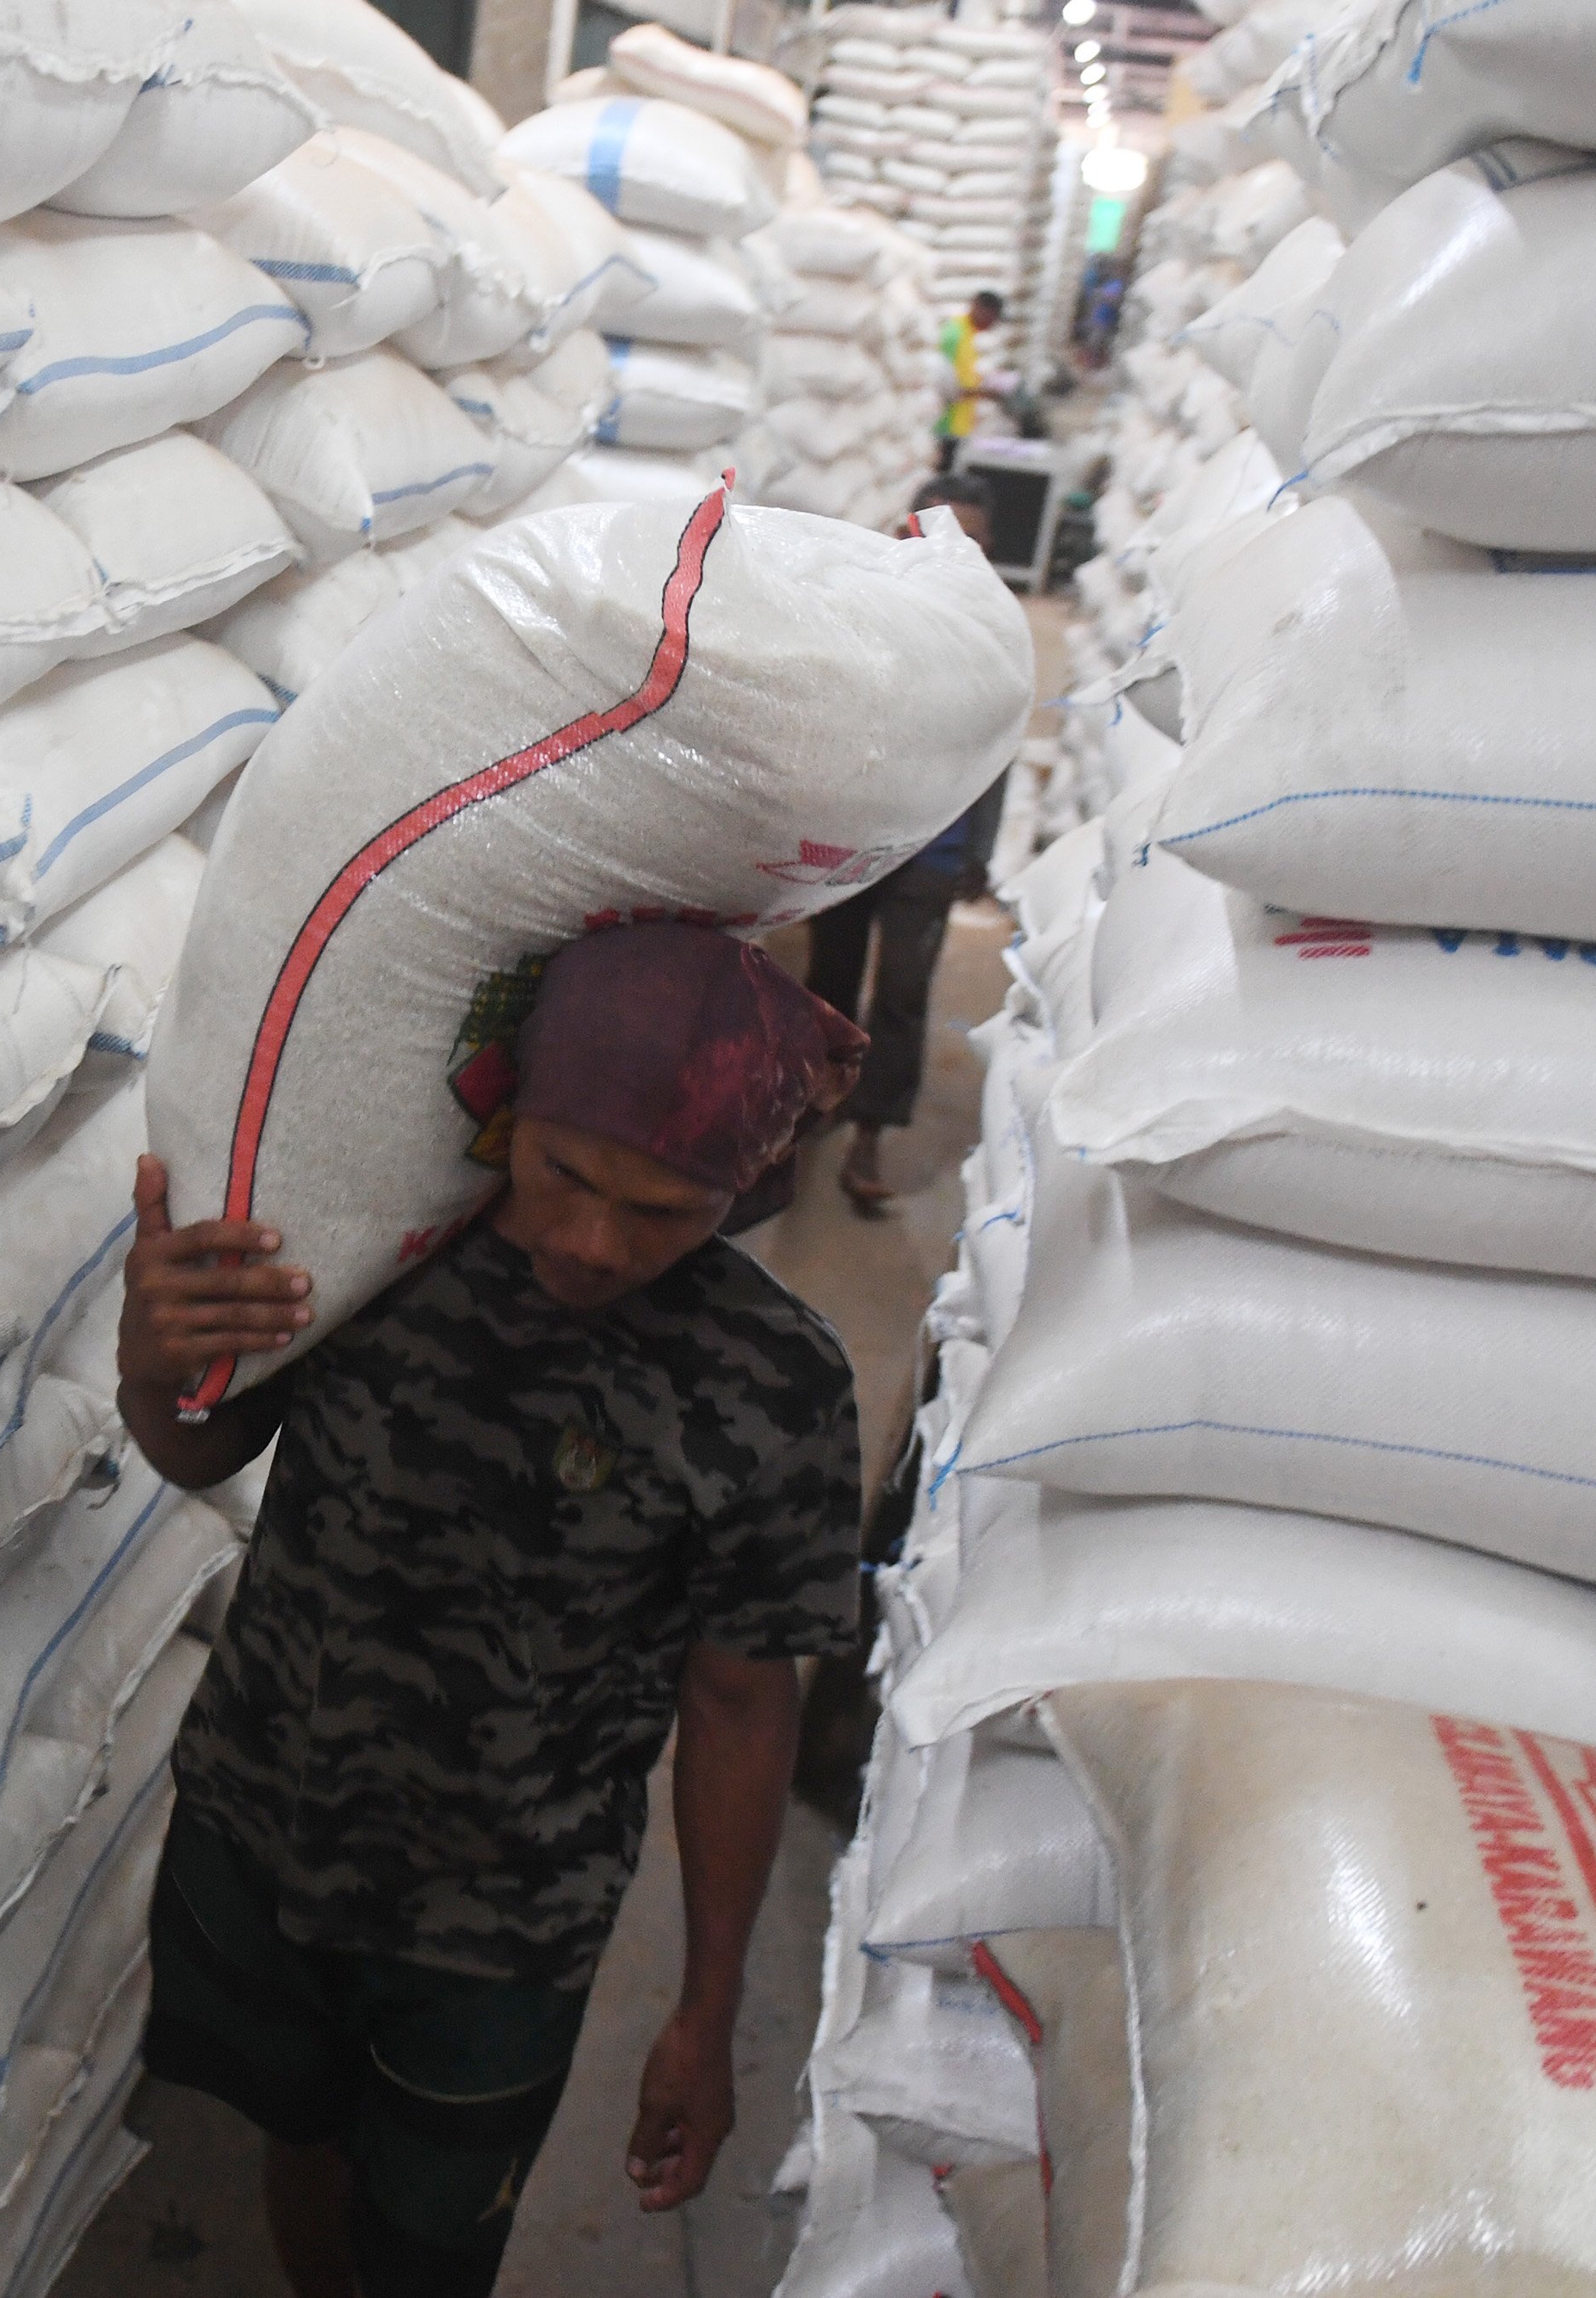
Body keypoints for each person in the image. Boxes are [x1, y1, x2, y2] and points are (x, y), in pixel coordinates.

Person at [119, 923, 869, 2298]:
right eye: (566, 1173)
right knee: (300, 2137)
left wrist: (705, 2009)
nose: (592, 1241)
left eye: (660, 1211)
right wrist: (146, 1365)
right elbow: (202, 1453)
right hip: (271, 1815)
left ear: (747, 1185)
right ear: (508, 1112)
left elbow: (742, 1700)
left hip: (503, 1919)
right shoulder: (369, 1249)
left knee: (431, 2240)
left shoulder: (773, 1388)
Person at [803, 774, 1005, 1208]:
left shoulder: (971, 701)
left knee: (903, 993)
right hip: (850, 840)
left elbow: (994, 753)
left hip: (934, 853)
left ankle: (868, 1135)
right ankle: (813, 1104)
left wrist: (979, 849)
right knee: (830, 979)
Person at [936, 288, 1005, 473]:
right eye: (991, 317)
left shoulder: (967, 334)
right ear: (977, 307)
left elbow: (960, 373)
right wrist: (984, 393)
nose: (991, 324)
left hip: (959, 423)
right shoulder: (954, 334)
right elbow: (944, 384)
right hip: (946, 423)